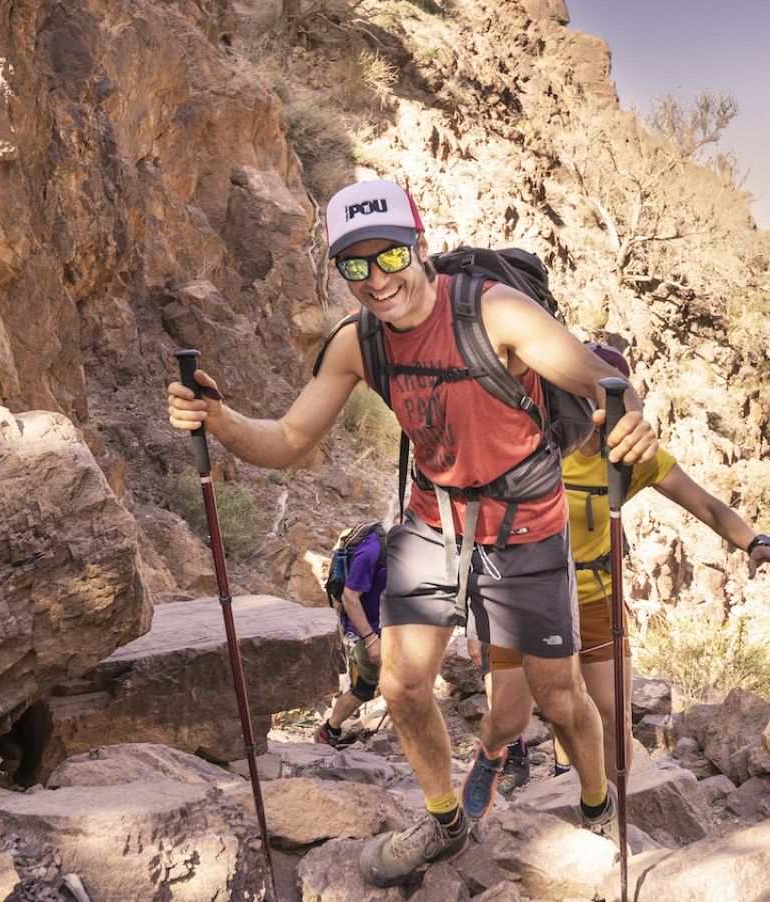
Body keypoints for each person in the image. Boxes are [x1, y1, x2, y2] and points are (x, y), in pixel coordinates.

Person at [166, 178, 657, 888]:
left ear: (420, 248)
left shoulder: (498, 315)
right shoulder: (356, 344)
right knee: (398, 686)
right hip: (435, 522)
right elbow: (289, 439)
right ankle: (445, 820)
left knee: (557, 700)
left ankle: (594, 803)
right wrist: (219, 420)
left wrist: (631, 417)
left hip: (526, 525)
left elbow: (600, 384)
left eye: (389, 257)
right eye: (355, 267)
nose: (377, 280)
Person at [464, 344, 770, 806]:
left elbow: (703, 503)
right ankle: (491, 754)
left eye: (611, 399)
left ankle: (604, 808)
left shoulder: (631, 456)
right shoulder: (527, 440)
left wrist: (755, 542)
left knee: (612, 715)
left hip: (596, 595)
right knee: (508, 717)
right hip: (524, 593)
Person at [317, 525, 388, 747]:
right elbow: (350, 597)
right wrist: (370, 639)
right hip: (366, 631)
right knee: (363, 688)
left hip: (390, 626)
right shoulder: (371, 553)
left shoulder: (406, 548)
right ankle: (329, 730)